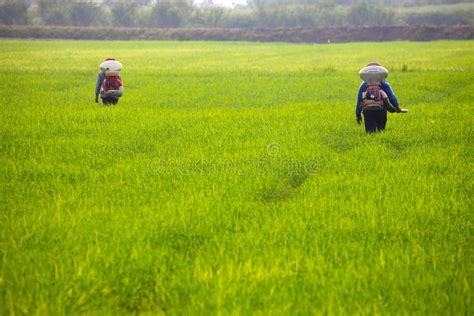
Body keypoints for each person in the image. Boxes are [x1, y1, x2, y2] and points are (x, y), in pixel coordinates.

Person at [356, 62, 401, 133]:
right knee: (381, 130)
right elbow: (392, 97)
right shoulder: (384, 84)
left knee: (370, 133)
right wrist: (397, 107)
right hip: (381, 110)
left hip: (368, 110)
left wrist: (358, 114)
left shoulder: (363, 85)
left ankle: (371, 142)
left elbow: (359, 101)